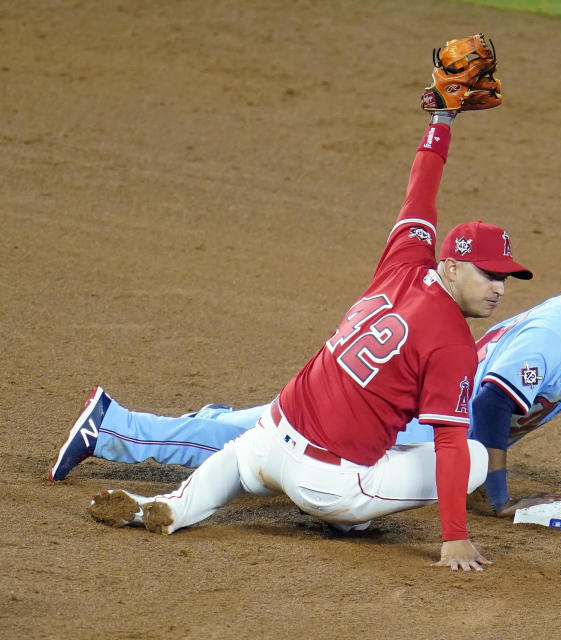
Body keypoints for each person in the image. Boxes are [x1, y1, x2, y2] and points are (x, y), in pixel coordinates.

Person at [81, 39, 535, 572]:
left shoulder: (405, 262)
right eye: (488, 274)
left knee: (238, 461)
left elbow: (421, 193)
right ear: (452, 267)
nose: (499, 288)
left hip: (268, 441)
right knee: (475, 454)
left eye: (505, 277)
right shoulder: (455, 344)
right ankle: (347, 515)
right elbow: (452, 446)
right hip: (327, 485)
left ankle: (166, 508)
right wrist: (454, 538)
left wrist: (441, 120)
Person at [55, 251, 561, 516]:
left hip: (422, 424)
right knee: (251, 453)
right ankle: (111, 426)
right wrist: (495, 493)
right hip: (410, 423)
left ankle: (214, 417)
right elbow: (493, 407)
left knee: (251, 433)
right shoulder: (552, 338)